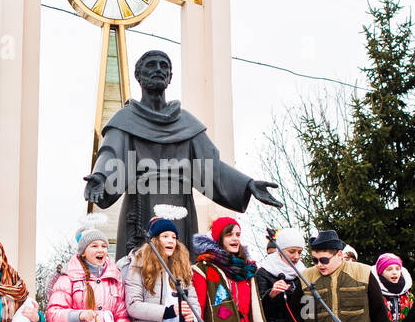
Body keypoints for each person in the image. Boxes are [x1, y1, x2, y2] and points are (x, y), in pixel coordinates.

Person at [83, 49, 282, 254]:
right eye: (151, 65)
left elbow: (210, 167)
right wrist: (100, 176)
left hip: (181, 211)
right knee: (141, 274)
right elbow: (111, 153)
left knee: (181, 270)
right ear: (138, 76)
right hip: (141, 209)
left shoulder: (186, 123)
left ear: (170, 77)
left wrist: (247, 184)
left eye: (164, 66)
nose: (159, 70)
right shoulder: (125, 120)